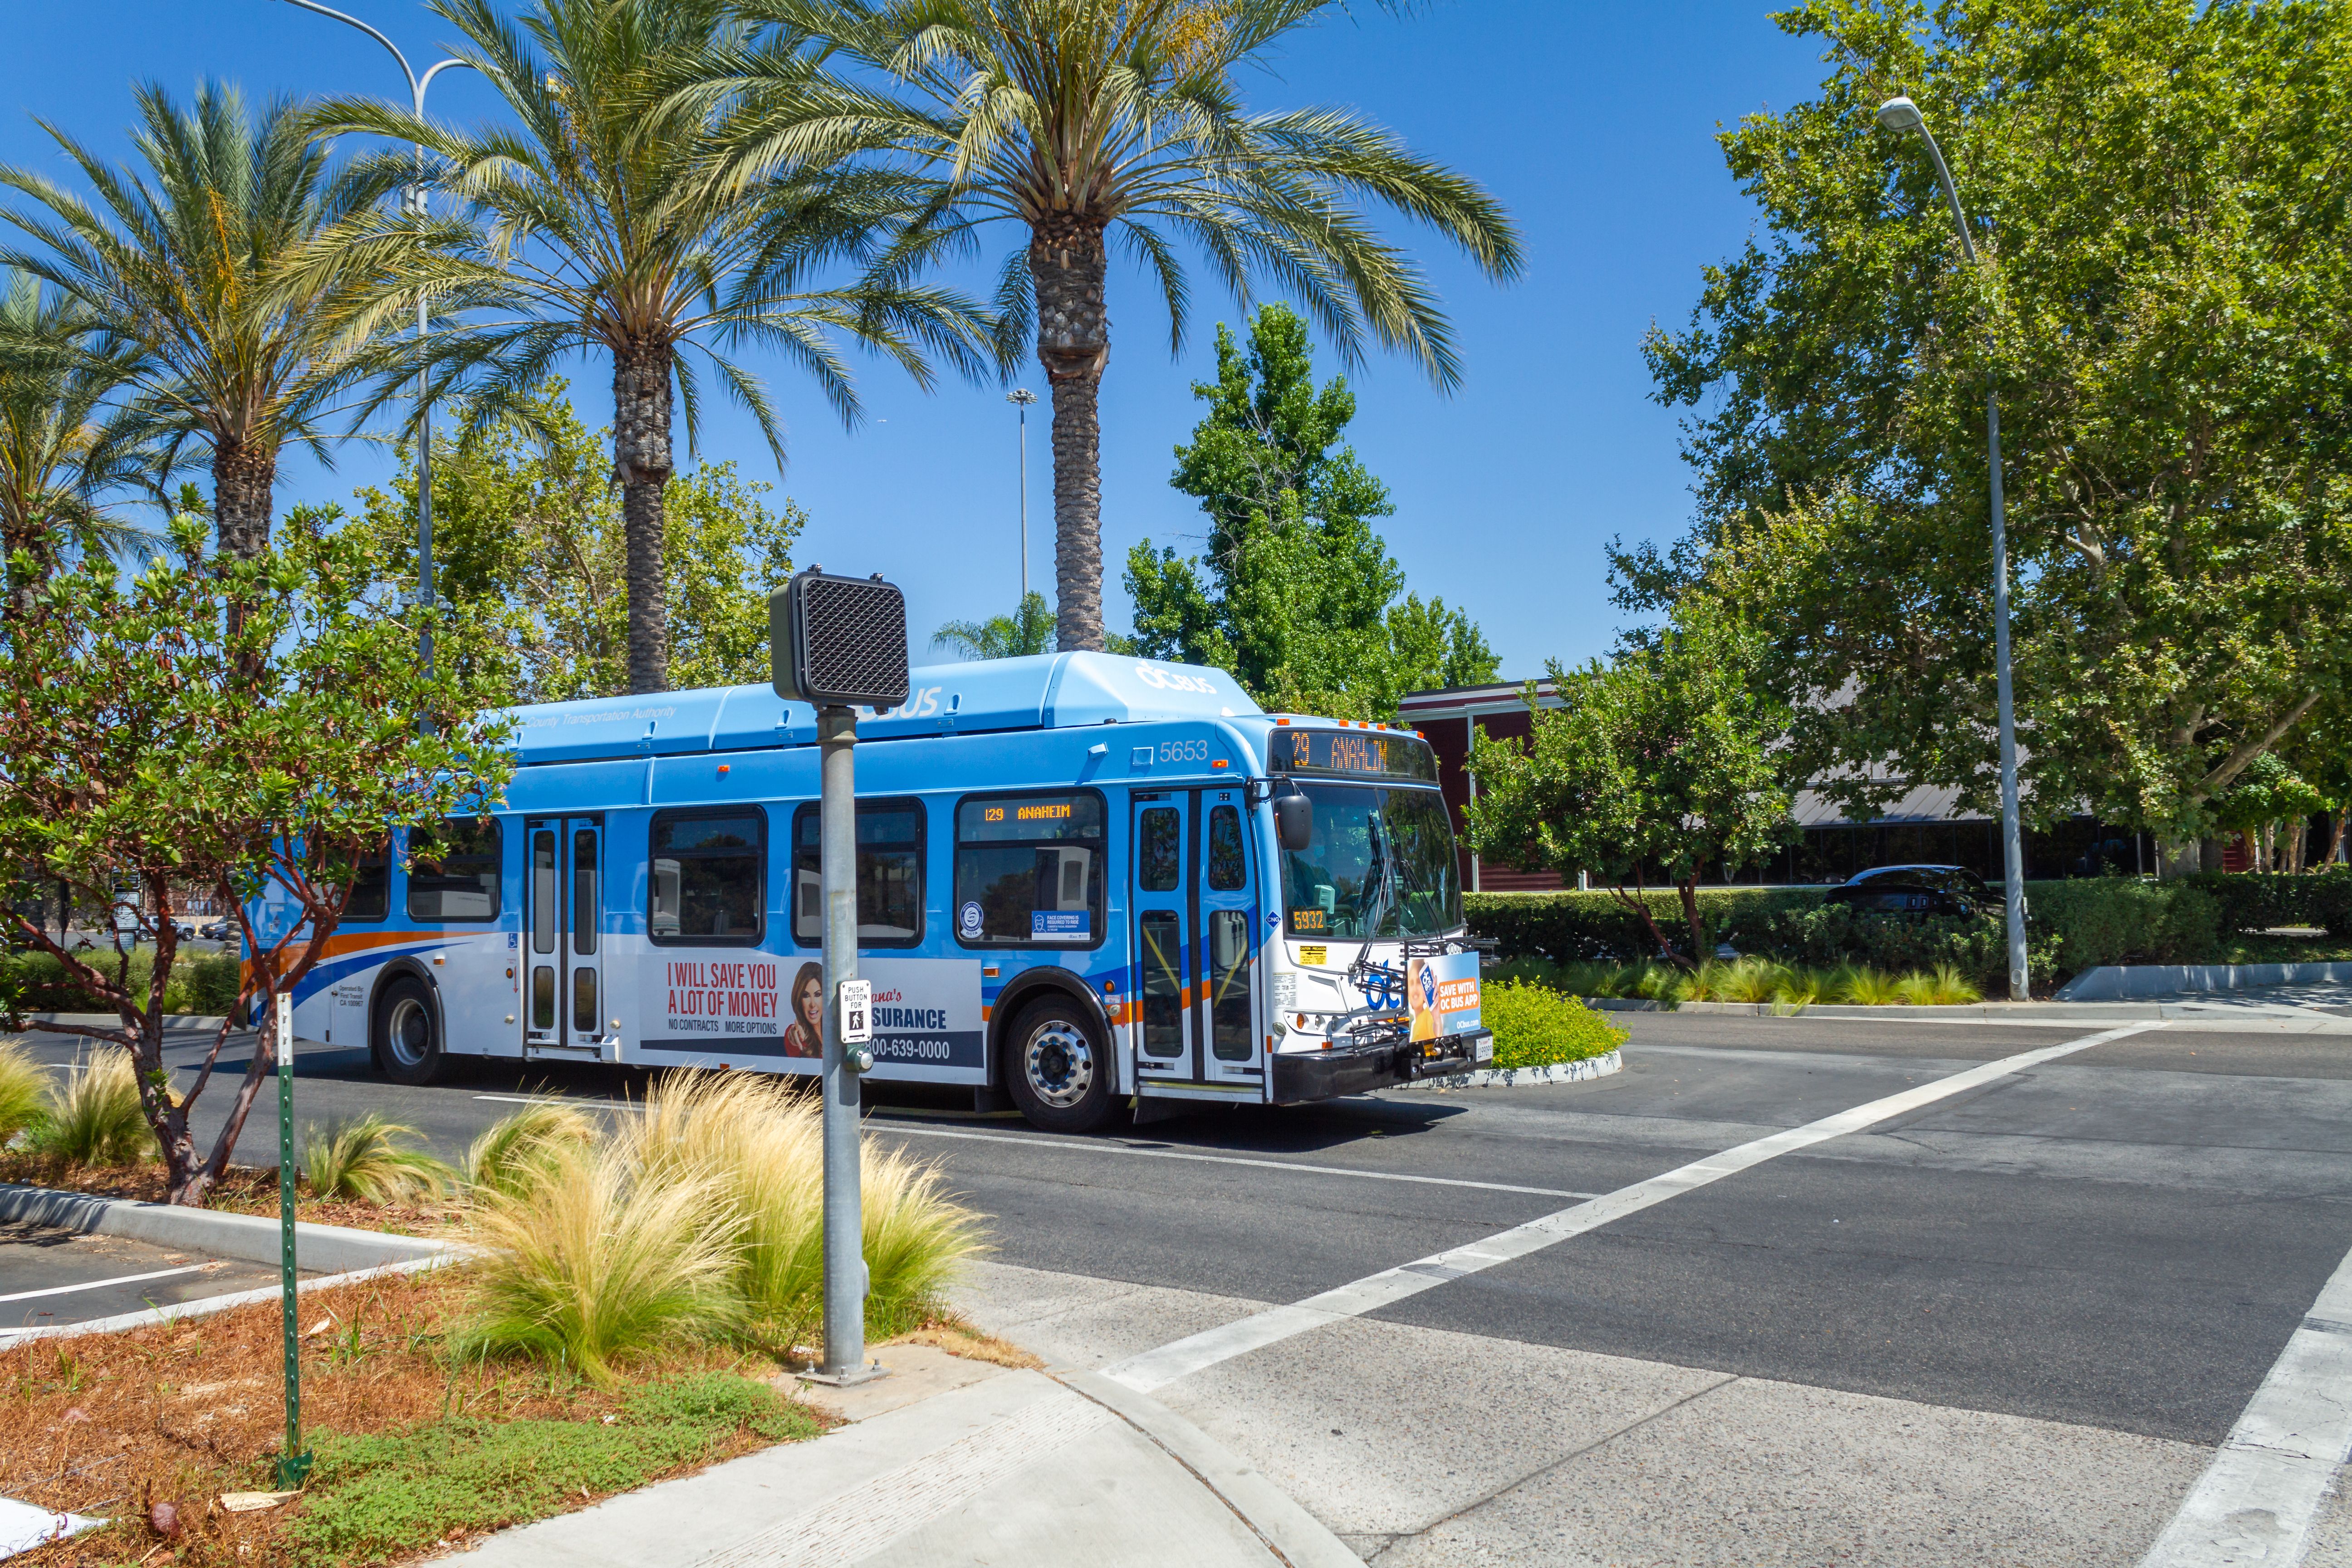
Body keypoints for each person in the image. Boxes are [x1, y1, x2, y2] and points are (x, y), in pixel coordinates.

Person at [783, 962, 824, 1058]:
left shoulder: (836, 1027)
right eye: (806, 996)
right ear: (799, 999)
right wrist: (794, 1036)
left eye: (817, 995)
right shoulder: (797, 1034)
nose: (813, 1004)